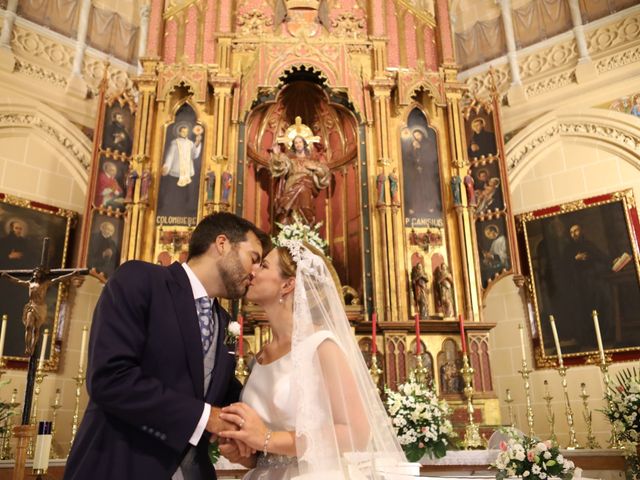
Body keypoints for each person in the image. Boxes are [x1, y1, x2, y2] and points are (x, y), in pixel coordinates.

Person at [65, 212, 270, 480]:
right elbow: (110, 378)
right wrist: (206, 418)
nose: (255, 273)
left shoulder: (227, 324)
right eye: (253, 258)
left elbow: (221, 392)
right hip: (120, 465)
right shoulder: (140, 279)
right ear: (222, 244)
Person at [216, 241, 407, 478]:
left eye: (263, 266)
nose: (252, 271)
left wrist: (267, 439)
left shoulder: (321, 345)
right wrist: (245, 453)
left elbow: (356, 432)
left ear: (288, 284)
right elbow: (267, 450)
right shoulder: (262, 355)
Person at [270, 135, 330, 225]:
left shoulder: (312, 161)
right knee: (290, 211)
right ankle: (289, 229)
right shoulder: (291, 161)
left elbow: (325, 175)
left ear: (304, 144)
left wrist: (316, 168)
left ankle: (306, 229)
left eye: (300, 142)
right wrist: (277, 154)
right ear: (293, 145)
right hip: (291, 185)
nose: (298, 144)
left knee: (305, 205)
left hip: (306, 187)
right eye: (296, 143)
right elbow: (279, 167)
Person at [159, 123, 203, 217]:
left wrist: (197, 142)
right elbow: (170, 156)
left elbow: (194, 155)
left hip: (186, 173)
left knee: (184, 195)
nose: (185, 133)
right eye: (183, 132)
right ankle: (172, 211)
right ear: (179, 132)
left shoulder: (190, 143)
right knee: (174, 194)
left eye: (186, 132)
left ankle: (183, 212)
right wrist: (167, 167)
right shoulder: (175, 143)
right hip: (176, 172)